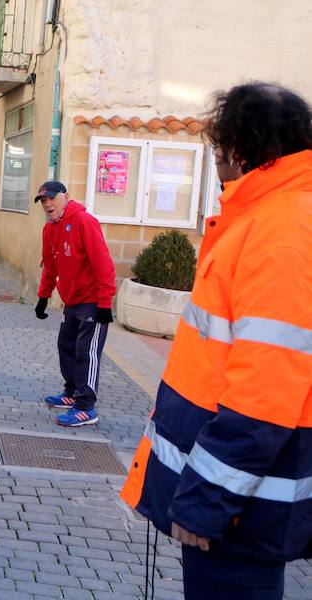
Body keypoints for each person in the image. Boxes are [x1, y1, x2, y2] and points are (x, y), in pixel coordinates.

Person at [121, 83, 312, 600]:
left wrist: (207, 500)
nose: (216, 162)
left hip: (239, 510)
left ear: (239, 150)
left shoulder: (280, 232)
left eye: (216, 148)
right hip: (242, 499)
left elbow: (265, 394)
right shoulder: (271, 217)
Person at [34, 180, 116, 427]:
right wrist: (43, 297)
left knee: (86, 352)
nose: (48, 204)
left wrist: (105, 303)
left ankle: (86, 406)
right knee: (66, 345)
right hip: (72, 300)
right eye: (43, 201)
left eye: (52, 198)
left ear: (65, 197)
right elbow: (50, 265)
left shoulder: (84, 222)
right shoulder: (49, 230)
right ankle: (71, 393)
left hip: (93, 300)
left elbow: (103, 264)